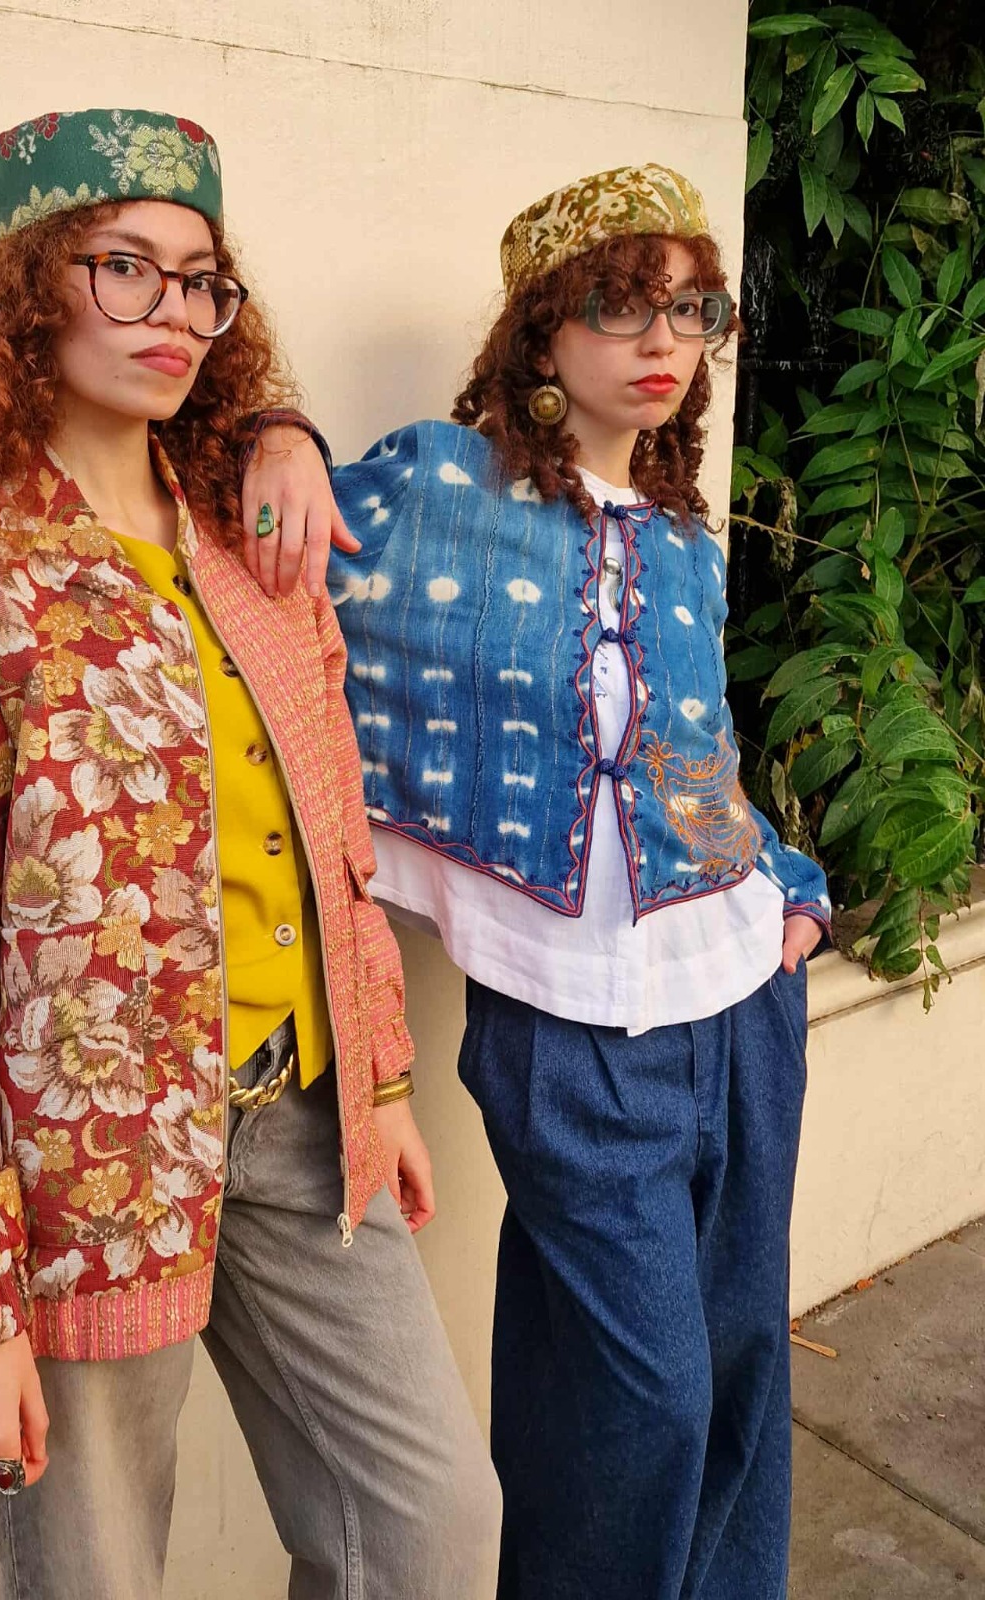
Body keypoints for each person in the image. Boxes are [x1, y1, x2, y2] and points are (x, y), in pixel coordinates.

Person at [0, 106, 499, 1600]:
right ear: (23, 292)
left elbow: (333, 835)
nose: (176, 313)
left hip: (305, 1121)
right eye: (124, 267)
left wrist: (383, 1079)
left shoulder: (255, 549)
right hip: (86, 1172)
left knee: (432, 1529)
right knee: (98, 1577)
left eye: (200, 281)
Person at [239, 165, 831, 1599]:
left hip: (743, 1003)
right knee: (647, 1402)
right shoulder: (438, 487)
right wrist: (275, 429)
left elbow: (698, 753)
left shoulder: (685, 540)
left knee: (740, 1370)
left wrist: (790, 883)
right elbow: (228, 527)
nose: (663, 340)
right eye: (620, 305)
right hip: (567, 1031)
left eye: (692, 311)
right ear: (541, 332)